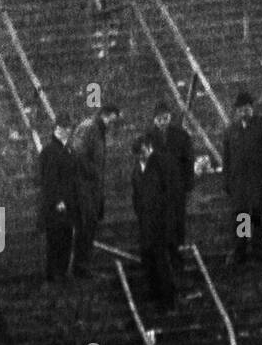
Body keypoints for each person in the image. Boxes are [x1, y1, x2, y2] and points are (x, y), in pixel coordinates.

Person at [222, 89, 262, 265]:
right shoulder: (231, 131)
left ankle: (259, 251)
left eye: (246, 109)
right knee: (242, 217)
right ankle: (240, 251)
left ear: (252, 109)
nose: (244, 113)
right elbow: (227, 158)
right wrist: (228, 182)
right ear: (236, 112)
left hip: (258, 181)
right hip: (239, 183)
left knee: (258, 217)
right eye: (240, 110)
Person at [70, 103, 121, 277]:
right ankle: (80, 267)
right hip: (84, 187)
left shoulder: (99, 131)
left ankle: (83, 266)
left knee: (89, 226)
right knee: (84, 226)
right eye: (112, 120)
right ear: (106, 115)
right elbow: (78, 154)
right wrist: (93, 173)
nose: (113, 124)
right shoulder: (89, 128)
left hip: (93, 188)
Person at [131, 132, 175, 309]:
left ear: (149, 148)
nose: (142, 156)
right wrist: (140, 215)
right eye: (138, 154)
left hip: (160, 221)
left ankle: (168, 298)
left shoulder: (161, 165)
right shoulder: (136, 170)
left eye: (143, 152)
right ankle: (154, 293)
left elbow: (169, 194)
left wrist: (166, 219)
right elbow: (136, 195)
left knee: (161, 260)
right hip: (145, 222)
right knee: (147, 258)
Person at [151, 99, 195, 271]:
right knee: (160, 225)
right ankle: (162, 260)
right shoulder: (148, 137)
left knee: (177, 225)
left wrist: (187, 184)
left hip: (176, 189)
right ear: (154, 119)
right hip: (157, 191)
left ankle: (177, 258)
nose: (163, 122)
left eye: (166, 118)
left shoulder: (181, 136)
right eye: (160, 119)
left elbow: (188, 160)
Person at [37, 112, 79, 282]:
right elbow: (49, 180)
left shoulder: (66, 149)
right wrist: (58, 200)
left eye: (69, 128)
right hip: (56, 205)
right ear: (57, 129)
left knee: (66, 238)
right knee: (56, 239)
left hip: (68, 202)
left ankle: (61, 272)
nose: (67, 131)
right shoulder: (50, 151)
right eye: (64, 128)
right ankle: (54, 273)